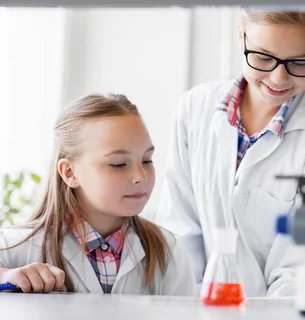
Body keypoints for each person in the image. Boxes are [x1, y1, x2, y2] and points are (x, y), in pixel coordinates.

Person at [155, 10, 305, 297]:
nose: (278, 77)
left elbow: (297, 271)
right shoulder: (194, 108)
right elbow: (180, 233)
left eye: (300, 62)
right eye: (263, 57)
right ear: (241, 37)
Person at [0, 94, 195, 295]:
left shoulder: (169, 252)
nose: (140, 176)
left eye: (147, 160)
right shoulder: (15, 246)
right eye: (118, 164)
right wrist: (5, 277)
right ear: (70, 172)